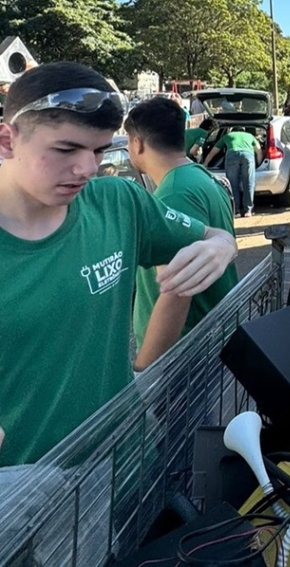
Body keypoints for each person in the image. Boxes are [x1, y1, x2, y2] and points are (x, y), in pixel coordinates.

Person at [0, 61, 237, 466]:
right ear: (7, 141)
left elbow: (214, 237)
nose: (87, 169)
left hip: (130, 464)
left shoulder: (117, 202)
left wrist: (221, 246)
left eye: (98, 150)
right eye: (66, 149)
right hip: (27, 498)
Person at [124, 98, 239, 371]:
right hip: (209, 339)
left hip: (182, 356)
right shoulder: (199, 176)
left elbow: (177, 291)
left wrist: (144, 368)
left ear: (137, 143)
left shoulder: (173, 195)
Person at [203, 127, 262, 218]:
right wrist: (258, 164)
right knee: (249, 183)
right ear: (243, 130)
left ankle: (236, 211)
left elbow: (213, 152)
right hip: (247, 156)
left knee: (232, 184)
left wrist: (205, 164)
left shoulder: (228, 135)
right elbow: (259, 151)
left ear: (232, 130)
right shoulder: (250, 136)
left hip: (232, 156)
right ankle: (248, 211)